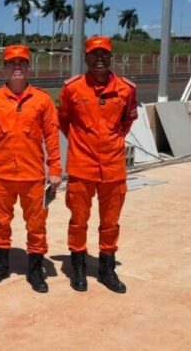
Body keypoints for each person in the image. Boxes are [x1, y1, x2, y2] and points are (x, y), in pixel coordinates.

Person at [0, 45, 62, 293]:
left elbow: (51, 137)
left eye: (21, 63)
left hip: (33, 176)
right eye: (12, 63)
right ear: (4, 69)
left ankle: (35, 270)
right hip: (1, 176)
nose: (17, 67)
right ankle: (1, 265)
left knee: (37, 224)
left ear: (28, 67)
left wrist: (55, 168)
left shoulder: (42, 100)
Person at [59, 36, 138, 293]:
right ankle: (79, 267)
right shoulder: (72, 89)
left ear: (111, 56)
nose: (99, 58)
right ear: (86, 58)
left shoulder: (126, 89)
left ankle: (107, 269)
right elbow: (64, 121)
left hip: (113, 167)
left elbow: (126, 123)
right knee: (78, 220)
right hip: (82, 166)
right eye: (94, 54)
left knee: (110, 222)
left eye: (104, 53)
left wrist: (110, 143)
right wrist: (83, 143)